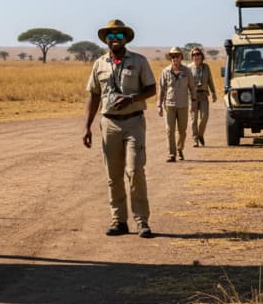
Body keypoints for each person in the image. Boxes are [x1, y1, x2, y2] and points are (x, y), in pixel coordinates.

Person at [83, 19, 157, 238]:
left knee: (135, 171)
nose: (114, 40)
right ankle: (118, 221)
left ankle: (142, 221)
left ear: (125, 39)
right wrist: (86, 127)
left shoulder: (139, 61)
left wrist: (132, 98)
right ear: (106, 40)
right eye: (110, 36)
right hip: (109, 124)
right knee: (113, 176)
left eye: (118, 36)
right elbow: (94, 95)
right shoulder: (99, 64)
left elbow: (152, 88)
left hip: (134, 121)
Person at [157, 46, 197, 162]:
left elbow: (192, 87)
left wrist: (194, 101)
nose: (174, 58)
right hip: (169, 105)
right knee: (169, 130)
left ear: (181, 57)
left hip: (183, 105)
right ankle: (172, 154)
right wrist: (159, 105)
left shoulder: (187, 71)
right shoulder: (165, 71)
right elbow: (162, 89)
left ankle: (180, 148)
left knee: (182, 131)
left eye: (177, 56)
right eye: (172, 56)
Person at [188, 47, 217, 147]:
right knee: (193, 119)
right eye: (194, 55)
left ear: (202, 56)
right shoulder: (188, 68)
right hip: (193, 96)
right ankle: (195, 140)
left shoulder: (206, 67)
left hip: (204, 94)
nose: (196, 56)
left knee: (204, 117)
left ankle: (200, 134)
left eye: (198, 54)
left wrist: (213, 93)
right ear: (191, 57)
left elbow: (210, 80)